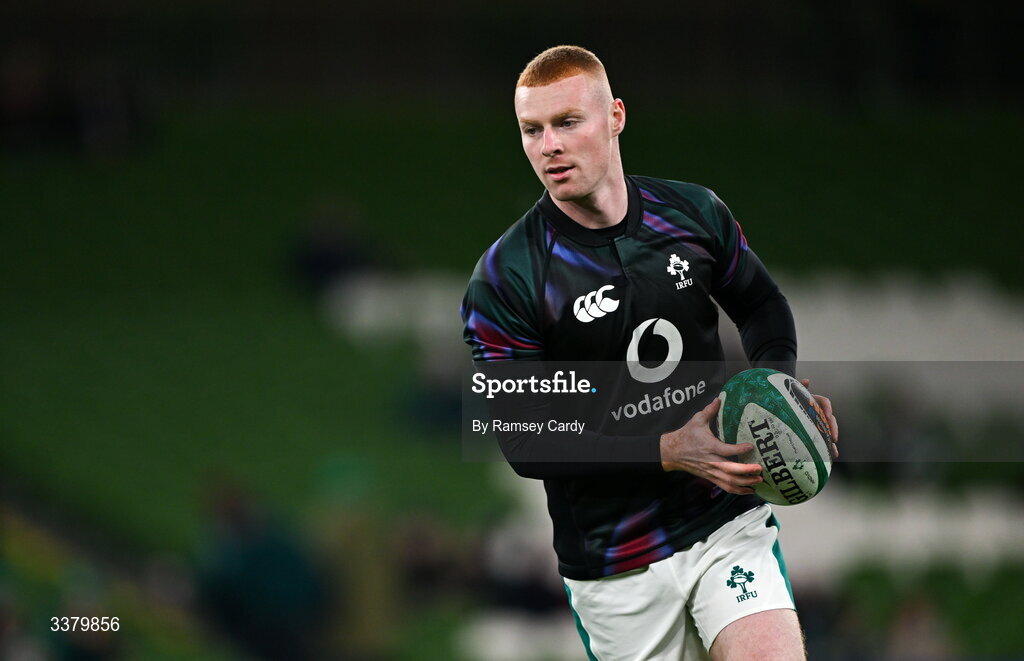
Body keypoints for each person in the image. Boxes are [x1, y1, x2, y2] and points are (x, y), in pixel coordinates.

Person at [461, 45, 839, 660]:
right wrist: (665, 450)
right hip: (616, 562)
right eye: (532, 130)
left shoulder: (693, 213)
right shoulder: (508, 279)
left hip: (722, 520)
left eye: (567, 122)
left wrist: (775, 389)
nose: (548, 145)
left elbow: (763, 306)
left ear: (615, 117)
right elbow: (525, 440)